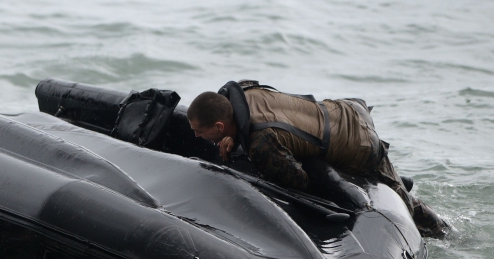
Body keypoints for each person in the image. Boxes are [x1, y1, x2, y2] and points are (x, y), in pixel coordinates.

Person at [186, 81, 449, 238]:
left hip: (358, 142)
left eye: (199, 131)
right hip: (342, 109)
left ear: (220, 126)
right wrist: (234, 137)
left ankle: (445, 232)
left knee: (401, 198)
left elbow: (299, 182)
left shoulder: (261, 144)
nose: (196, 136)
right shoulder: (242, 91)